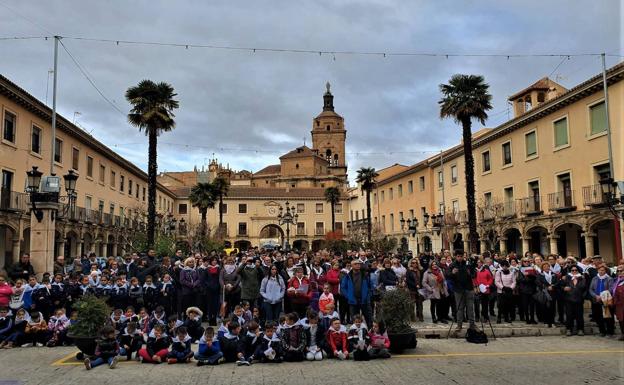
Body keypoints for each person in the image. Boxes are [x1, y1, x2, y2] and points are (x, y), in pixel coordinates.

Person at [340, 259, 373, 327]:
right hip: (353, 301)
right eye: (355, 264)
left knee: (369, 319)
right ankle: (356, 335)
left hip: (365, 301)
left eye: (359, 264)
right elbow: (343, 288)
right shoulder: (348, 276)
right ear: (351, 265)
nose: (358, 265)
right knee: (355, 321)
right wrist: (349, 297)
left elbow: (370, 286)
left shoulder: (365, 274)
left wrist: (368, 296)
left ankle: (370, 334)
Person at [449, 253, 476, 331]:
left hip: (469, 288)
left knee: (470, 308)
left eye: (461, 256)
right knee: (460, 308)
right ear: (455, 257)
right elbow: (447, 275)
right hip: (458, 290)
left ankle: (472, 325)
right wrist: (452, 273)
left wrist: (470, 273)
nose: (460, 258)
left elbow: (474, 275)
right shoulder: (452, 265)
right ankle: (459, 325)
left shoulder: (468, 264)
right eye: (458, 256)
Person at [589, 265, 615, 337]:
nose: (601, 271)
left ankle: (610, 332)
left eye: (603, 270)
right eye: (600, 270)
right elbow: (590, 289)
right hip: (596, 300)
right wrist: (595, 296)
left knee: (608, 317)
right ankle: (602, 331)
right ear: (598, 270)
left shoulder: (609, 279)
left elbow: (611, 289)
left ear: (605, 271)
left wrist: (602, 296)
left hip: (606, 300)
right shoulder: (594, 278)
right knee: (598, 317)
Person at [562, 266, 586, 336]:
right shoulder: (567, 277)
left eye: (576, 270)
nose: (574, 271)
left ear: (578, 271)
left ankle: (580, 329)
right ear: (570, 271)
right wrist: (564, 288)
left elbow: (584, 287)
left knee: (579, 315)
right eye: (572, 270)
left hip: (579, 299)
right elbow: (561, 286)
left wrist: (582, 296)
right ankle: (569, 329)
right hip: (568, 299)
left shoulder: (582, 278)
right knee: (569, 315)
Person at [536, 262, 558, 328]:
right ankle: (546, 322)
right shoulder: (540, 275)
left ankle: (552, 322)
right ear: (542, 268)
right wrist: (546, 286)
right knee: (545, 308)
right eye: (544, 266)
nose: (546, 267)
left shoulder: (553, 274)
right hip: (544, 292)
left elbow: (557, 282)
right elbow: (538, 282)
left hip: (553, 293)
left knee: (552, 308)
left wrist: (553, 286)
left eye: (547, 266)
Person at [612, 265, 624, 341]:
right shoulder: (616, 280)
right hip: (618, 304)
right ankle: (623, 334)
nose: (619, 272)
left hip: (623, 303)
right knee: (620, 320)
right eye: (618, 271)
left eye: (621, 271)